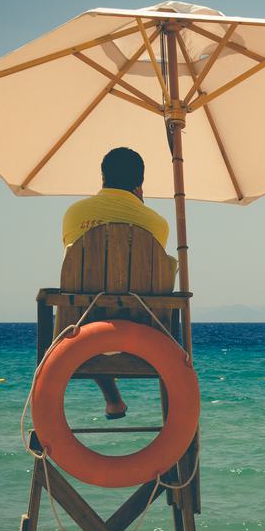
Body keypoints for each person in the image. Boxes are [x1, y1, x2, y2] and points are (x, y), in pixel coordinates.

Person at [62, 147, 173, 419]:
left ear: (102, 177)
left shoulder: (74, 214)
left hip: (83, 322)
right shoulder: (157, 223)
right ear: (140, 184)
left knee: (92, 311)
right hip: (142, 325)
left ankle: (113, 400)